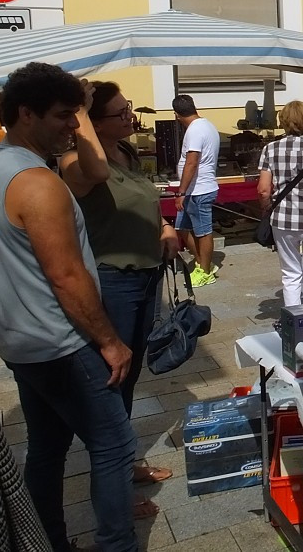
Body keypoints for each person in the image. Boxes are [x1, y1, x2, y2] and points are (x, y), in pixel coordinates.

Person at [0, 62, 137, 552]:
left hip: (22, 340)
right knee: (114, 445)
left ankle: (44, 541)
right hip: (61, 342)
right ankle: (117, 545)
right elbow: (66, 276)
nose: (73, 124)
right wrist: (108, 340)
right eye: (65, 115)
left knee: (47, 448)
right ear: (27, 113)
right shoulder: (35, 181)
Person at [59, 80, 180, 518]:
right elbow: (91, 178)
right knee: (113, 377)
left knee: (128, 379)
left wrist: (164, 228)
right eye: (121, 112)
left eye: (129, 108)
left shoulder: (127, 154)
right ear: (94, 123)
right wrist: (82, 111)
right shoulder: (74, 162)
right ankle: (111, 490)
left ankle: (125, 462)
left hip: (145, 277)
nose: (131, 116)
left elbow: (145, 202)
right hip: (114, 282)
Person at [257, 101, 303, 307]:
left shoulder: (269, 149)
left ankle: (293, 318)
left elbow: (263, 189)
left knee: (290, 273)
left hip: (282, 218)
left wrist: (266, 208)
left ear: (283, 121)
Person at [172, 94, 220, 286]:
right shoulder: (203, 125)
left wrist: (181, 192)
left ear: (176, 115)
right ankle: (202, 262)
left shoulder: (195, 130)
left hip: (199, 189)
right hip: (193, 189)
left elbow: (192, 162)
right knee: (181, 227)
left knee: (203, 232)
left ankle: (205, 271)